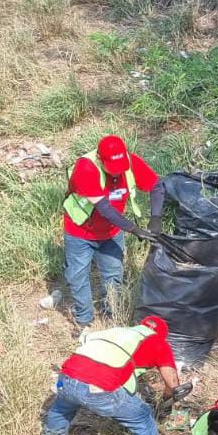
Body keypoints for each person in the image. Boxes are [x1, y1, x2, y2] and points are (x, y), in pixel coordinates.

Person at [40, 317, 190, 435]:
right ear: (162, 335)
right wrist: (166, 402)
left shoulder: (118, 332)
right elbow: (173, 384)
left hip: (66, 376)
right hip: (98, 388)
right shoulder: (158, 342)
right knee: (143, 419)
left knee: (62, 407)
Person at [61, 134, 164, 331]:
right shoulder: (86, 168)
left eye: (121, 168)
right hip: (80, 232)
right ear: (100, 159)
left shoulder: (131, 162)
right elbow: (105, 209)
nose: (117, 174)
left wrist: (156, 218)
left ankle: (112, 316)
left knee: (113, 275)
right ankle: (84, 321)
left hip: (112, 232)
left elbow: (156, 186)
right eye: (113, 169)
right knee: (77, 276)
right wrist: (134, 229)